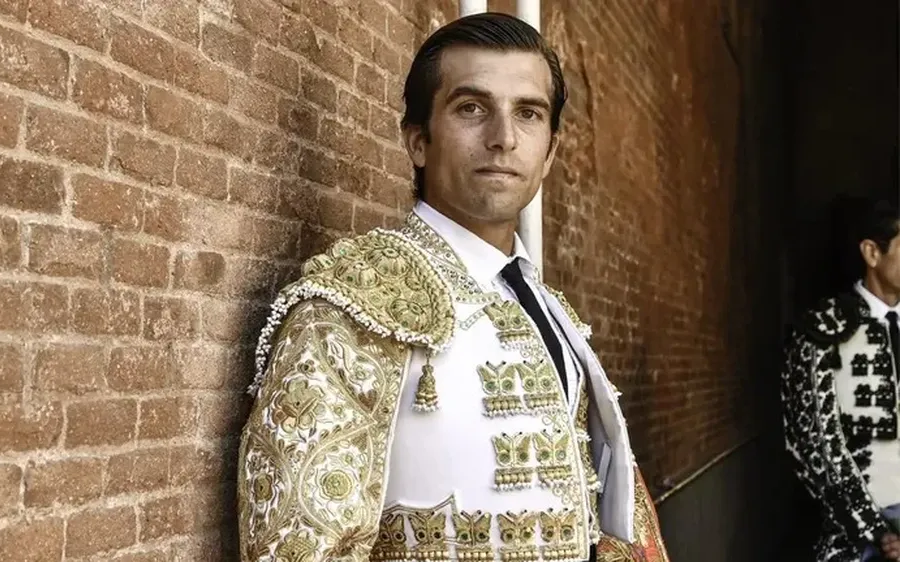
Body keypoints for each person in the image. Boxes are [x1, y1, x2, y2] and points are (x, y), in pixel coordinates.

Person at [237, 13, 669, 562]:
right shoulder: (352, 303)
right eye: (472, 108)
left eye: (528, 114)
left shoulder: (549, 310)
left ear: (550, 151)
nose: (504, 138)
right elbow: (296, 548)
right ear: (418, 140)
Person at [781, 199, 900, 561]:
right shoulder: (822, 329)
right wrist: (880, 533)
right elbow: (813, 442)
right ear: (871, 253)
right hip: (856, 533)